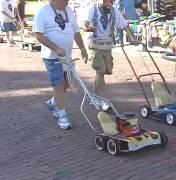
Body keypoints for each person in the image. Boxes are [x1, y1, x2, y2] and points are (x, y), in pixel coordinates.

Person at [34, 0, 88, 130]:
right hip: (52, 57)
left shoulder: (68, 10)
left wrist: (82, 48)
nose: (66, 2)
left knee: (66, 83)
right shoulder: (43, 11)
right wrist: (56, 48)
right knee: (58, 84)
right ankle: (62, 115)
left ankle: (53, 102)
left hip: (67, 56)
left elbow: (76, 32)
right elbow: (39, 35)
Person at [83, 0, 131, 105]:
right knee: (100, 70)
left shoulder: (114, 11)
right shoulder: (93, 8)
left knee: (104, 71)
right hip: (95, 44)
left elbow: (124, 25)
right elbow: (84, 25)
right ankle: (102, 99)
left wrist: (133, 38)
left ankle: (95, 97)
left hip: (107, 45)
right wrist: (90, 28)